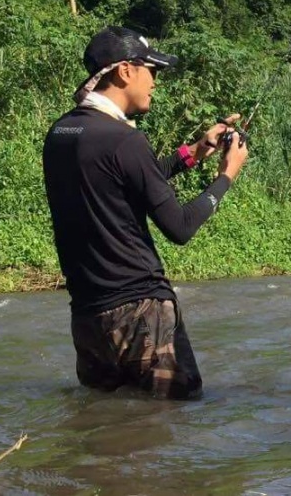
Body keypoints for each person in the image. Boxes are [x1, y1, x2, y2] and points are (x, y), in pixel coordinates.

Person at [42, 26, 249, 400]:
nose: (155, 82)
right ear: (125, 71)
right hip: (141, 314)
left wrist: (194, 152)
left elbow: (122, 176)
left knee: (106, 426)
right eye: (151, 71)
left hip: (88, 319)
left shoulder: (62, 133)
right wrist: (226, 176)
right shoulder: (126, 140)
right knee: (176, 420)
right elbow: (180, 227)